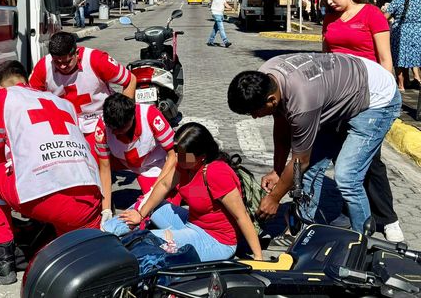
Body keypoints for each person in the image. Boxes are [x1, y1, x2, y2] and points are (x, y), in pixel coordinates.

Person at [228, 53, 401, 235]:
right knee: (308, 172)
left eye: (254, 112)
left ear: (272, 100)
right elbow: (281, 129)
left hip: (376, 99)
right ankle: (302, 230)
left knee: (347, 177)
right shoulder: (266, 75)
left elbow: (300, 160)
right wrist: (277, 171)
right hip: (338, 93)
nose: (254, 117)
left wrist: (274, 198)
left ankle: (362, 241)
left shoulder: (302, 104)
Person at [0, 60, 102, 285]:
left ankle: (0, 260)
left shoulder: (1, 98)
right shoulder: (62, 102)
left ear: (0, 88)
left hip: (48, 199)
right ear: (25, 81)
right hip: (89, 205)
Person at [320, 0, 403, 242]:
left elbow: (385, 58)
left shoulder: (370, 14)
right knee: (344, 155)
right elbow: (327, 58)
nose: (329, 2)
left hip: (371, 96)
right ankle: (349, 209)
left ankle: (387, 218)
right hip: (338, 99)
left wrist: (389, 95)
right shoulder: (329, 19)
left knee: (372, 161)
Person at [117, 123, 263, 262]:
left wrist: (258, 257)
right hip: (191, 222)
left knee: (144, 240)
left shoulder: (216, 173)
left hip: (216, 239)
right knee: (146, 204)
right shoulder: (185, 164)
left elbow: (241, 216)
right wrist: (140, 214)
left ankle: (115, 250)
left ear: (202, 156)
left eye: (184, 155)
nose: (177, 158)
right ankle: (106, 233)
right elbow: (164, 184)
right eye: (176, 152)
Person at [30, 32, 136, 160]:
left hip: (98, 119)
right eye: (57, 63)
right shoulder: (43, 67)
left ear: (76, 53)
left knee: (90, 162)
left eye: (67, 62)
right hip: (65, 123)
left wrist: (124, 117)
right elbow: (31, 100)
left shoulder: (96, 59)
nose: (62, 66)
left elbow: (130, 80)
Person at [94, 93, 178, 222]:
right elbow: (105, 169)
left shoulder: (150, 115)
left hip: (156, 164)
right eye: (113, 129)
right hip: (128, 163)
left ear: (133, 117)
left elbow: (173, 155)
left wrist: (153, 190)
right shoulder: (102, 128)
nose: (116, 133)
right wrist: (106, 209)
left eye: (122, 129)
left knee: (163, 208)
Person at [385, 0, 421, 92]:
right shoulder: (420, 0)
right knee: (416, 57)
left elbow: (384, 17)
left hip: (400, 32)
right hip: (417, 32)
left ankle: (401, 85)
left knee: (399, 59)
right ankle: (415, 79)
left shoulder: (396, 2)